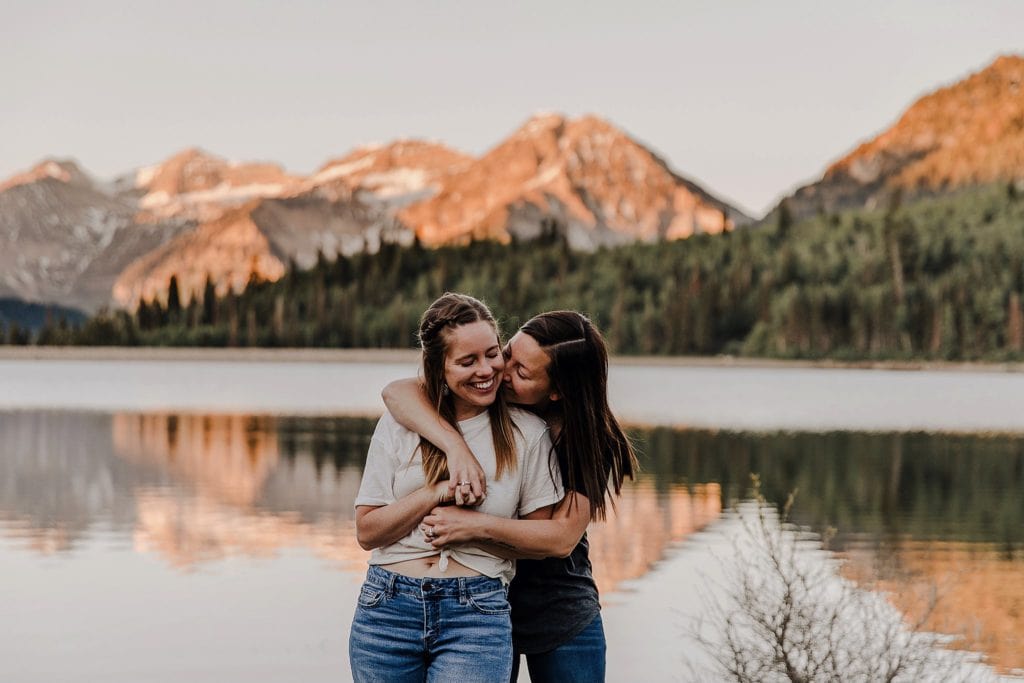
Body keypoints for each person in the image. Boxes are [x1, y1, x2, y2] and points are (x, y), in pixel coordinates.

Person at [383, 310, 638, 683]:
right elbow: (396, 392)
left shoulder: (589, 440)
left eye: (521, 373)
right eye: (508, 354)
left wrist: (470, 526)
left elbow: (562, 538)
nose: (498, 371)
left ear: (557, 390)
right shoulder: (484, 400)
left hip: (557, 613)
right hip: (476, 611)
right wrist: (455, 447)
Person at [349, 293, 564, 683]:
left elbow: (537, 541)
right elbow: (367, 532)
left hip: (476, 615)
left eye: (492, 354)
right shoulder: (400, 423)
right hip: (387, 608)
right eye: (467, 361)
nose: (487, 370)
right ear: (440, 368)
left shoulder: (529, 434)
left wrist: (469, 531)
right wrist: (435, 492)